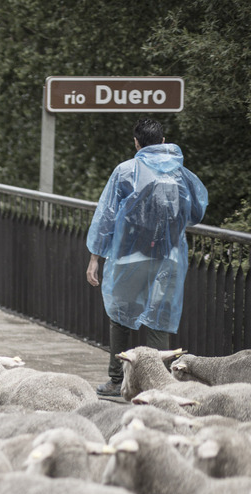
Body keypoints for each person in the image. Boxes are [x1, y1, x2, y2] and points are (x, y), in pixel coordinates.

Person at [86, 118, 208, 397]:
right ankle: (157, 385)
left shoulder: (125, 171)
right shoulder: (181, 174)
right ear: (164, 142)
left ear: (137, 143)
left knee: (120, 316)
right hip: (169, 258)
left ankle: (117, 381)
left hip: (130, 257)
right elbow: (197, 212)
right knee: (159, 319)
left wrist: (95, 258)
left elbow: (106, 217)